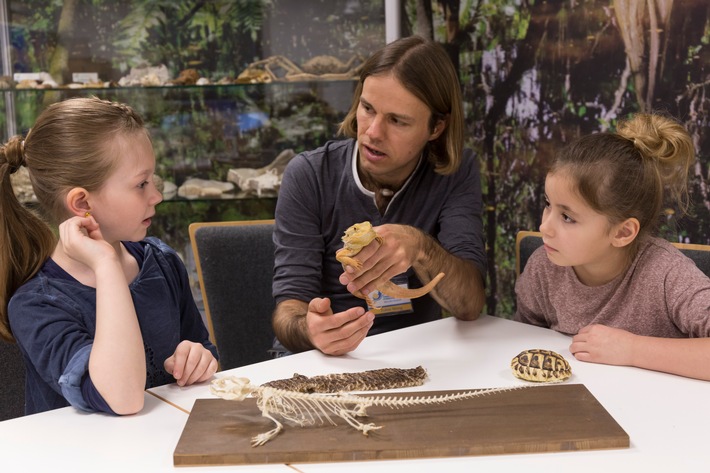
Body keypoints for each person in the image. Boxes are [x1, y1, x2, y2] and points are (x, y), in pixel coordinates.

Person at [0, 97, 219, 415]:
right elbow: (121, 397)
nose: (156, 195)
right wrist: (105, 264)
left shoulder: (162, 261)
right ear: (81, 203)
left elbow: (205, 350)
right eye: (141, 184)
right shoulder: (36, 304)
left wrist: (199, 358)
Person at [271, 35, 487, 356]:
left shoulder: (454, 173)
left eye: (397, 120)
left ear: (436, 128)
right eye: (368, 108)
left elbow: (470, 305)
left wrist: (421, 247)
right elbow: (288, 308)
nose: (372, 132)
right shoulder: (309, 174)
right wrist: (311, 330)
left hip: (415, 360)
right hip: (322, 362)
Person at [515, 112, 710, 381]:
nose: (545, 227)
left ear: (622, 232)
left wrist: (632, 349)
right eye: (548, 204)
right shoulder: (543, 267)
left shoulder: (666, 274)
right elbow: (520, 341)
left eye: (567, 217)